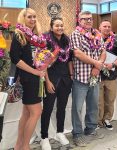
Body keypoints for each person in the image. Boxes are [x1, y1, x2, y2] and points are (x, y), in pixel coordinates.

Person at [10, 8, 45, 150]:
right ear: (23, 18)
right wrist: (35, 72)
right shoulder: (19, 35)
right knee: (36, 112)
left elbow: (39, 57)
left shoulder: (36, 36)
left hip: (35, 78)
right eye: (29, 17)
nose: (33, 19)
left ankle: (19, 145)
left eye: (34, 17)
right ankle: (25, 146)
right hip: (27, 78)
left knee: (26, 113)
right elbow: (15, 59)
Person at [70, 11, 106, 147]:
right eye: (84, 19)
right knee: (77, 108)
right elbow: (78, 53)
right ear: (79, 21)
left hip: (95, 76)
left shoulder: (97, 34)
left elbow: (103, 51)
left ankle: (90, 129)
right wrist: (96, 63)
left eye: (90, 19)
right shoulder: (75, 34)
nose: (88, 21)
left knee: (93, 106)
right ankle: (77, 134)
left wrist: (98, 66)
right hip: (81, 77)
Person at [40, 17, 72, 150]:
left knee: (61, 108)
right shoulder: (46, 40)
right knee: (47, 109)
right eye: (57, 25)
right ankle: (44, 137)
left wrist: (71, 75)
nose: (60, 28)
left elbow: (69, 59)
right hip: (51, 79)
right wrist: (47, 81)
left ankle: (59, 132)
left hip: (65, 80)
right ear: (51, 27)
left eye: (61, 25)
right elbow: (43, 63)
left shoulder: (66, 40)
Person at [98, 20, 117, 130]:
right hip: (97, 75)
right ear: (100, 27)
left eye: (109, 26)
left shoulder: (116, 41)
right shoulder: (94, 40)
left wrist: (112, 64)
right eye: (104, 26)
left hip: (111, 75)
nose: (107, 28)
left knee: (110, 99)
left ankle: (107, 119)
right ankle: (98, 122)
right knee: (99, 101)